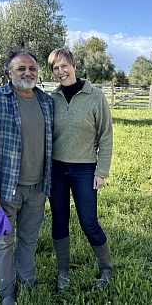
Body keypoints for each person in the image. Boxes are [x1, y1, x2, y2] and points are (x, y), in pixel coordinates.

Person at [0, 49, 53, 305]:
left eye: (32, 68)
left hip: (39, 186)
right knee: (3, 241)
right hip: (6, 187)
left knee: (29, 238)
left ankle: (26, 281)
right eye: (21, 68)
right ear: (9, 72)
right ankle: (6, 292)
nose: (28, 73)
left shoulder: (46, 102)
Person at [47, 48, 114, 291]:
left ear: (74, 65)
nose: (60, 71)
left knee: (89, 222)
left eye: (64, 66)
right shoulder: (50, 100)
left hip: (85, 169)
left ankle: (107, 269)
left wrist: (101, 171)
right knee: (59, 221)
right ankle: (63, 272)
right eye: (55, 68)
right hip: (56, 170)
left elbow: (105, 135)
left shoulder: (95, 96)